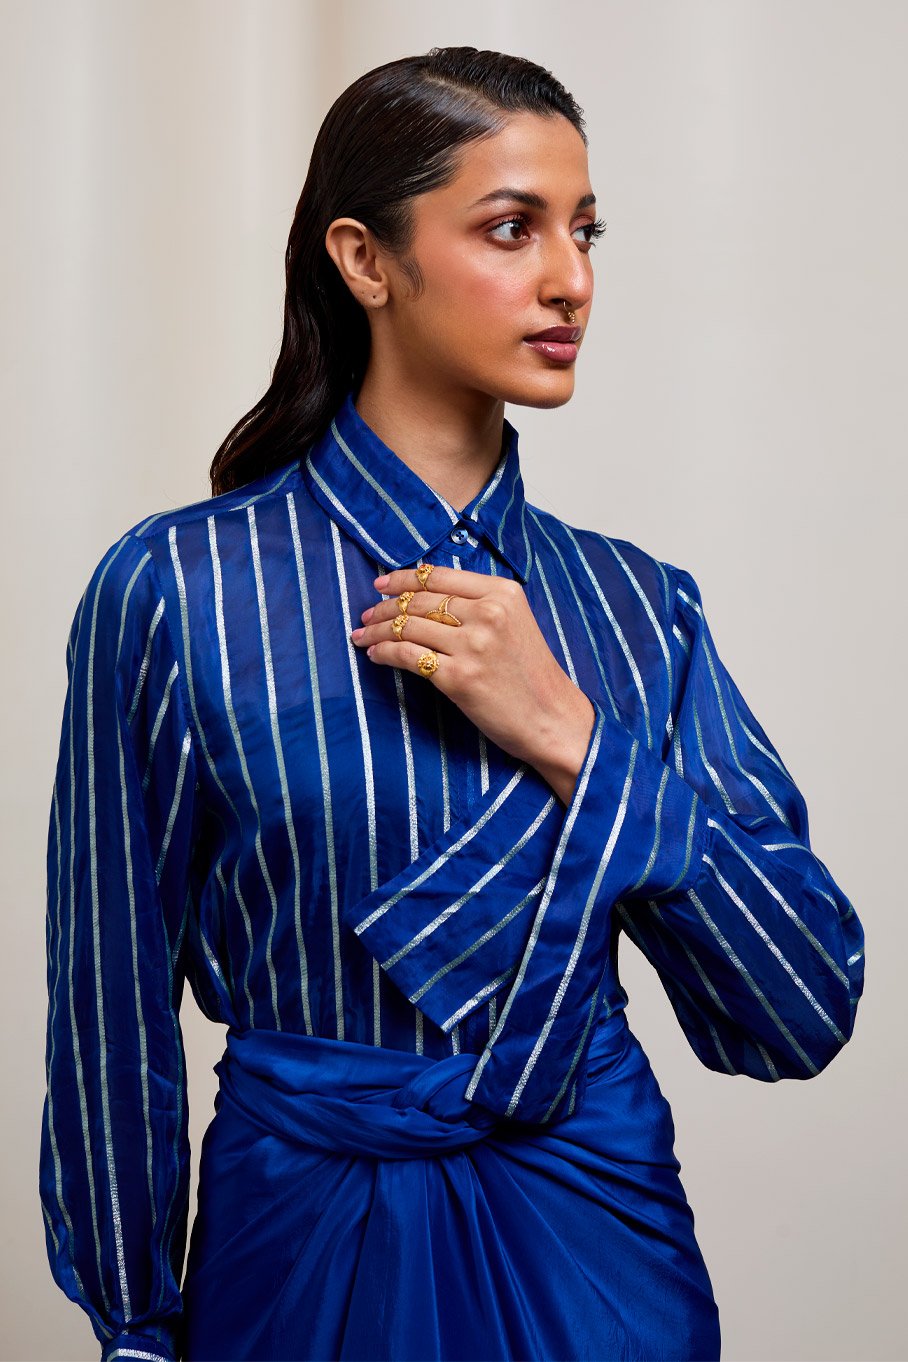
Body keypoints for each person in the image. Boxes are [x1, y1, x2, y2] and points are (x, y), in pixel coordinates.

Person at [38, 45, 865, 1362]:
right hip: (300, 1257)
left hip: (604, 1263)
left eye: (585, 230)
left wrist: (574, 737)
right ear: (365, 259)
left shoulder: (639, 609)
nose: (571, 278)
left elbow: (800, 1007)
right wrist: (133, 1324)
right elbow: (107, 1003)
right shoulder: (178, 590)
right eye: (511, 227)